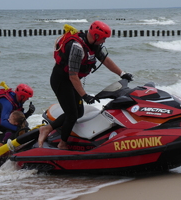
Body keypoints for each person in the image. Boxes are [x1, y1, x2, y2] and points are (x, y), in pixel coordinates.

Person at [38, 21, 133, 149]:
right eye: (104, 38)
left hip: (72, 81)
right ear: (96, 36)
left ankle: (47, 128)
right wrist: (84, 95)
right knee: (72, 114)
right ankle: (62, 144)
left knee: (79, 113)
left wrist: (122, 74)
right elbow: (72, 75)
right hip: (61, 81)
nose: (104, 41)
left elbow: (105, 60)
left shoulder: (93, 44)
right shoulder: (77, 48)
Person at [0, 83, 34, 156]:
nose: (27, 99)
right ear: (21, 96)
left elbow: (17, 120)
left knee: (14, 133)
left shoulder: (18, 102)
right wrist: (18, 129)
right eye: (27, 97)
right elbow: (3, 122)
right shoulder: (7, 103)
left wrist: (29, 113)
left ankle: (1, 148)